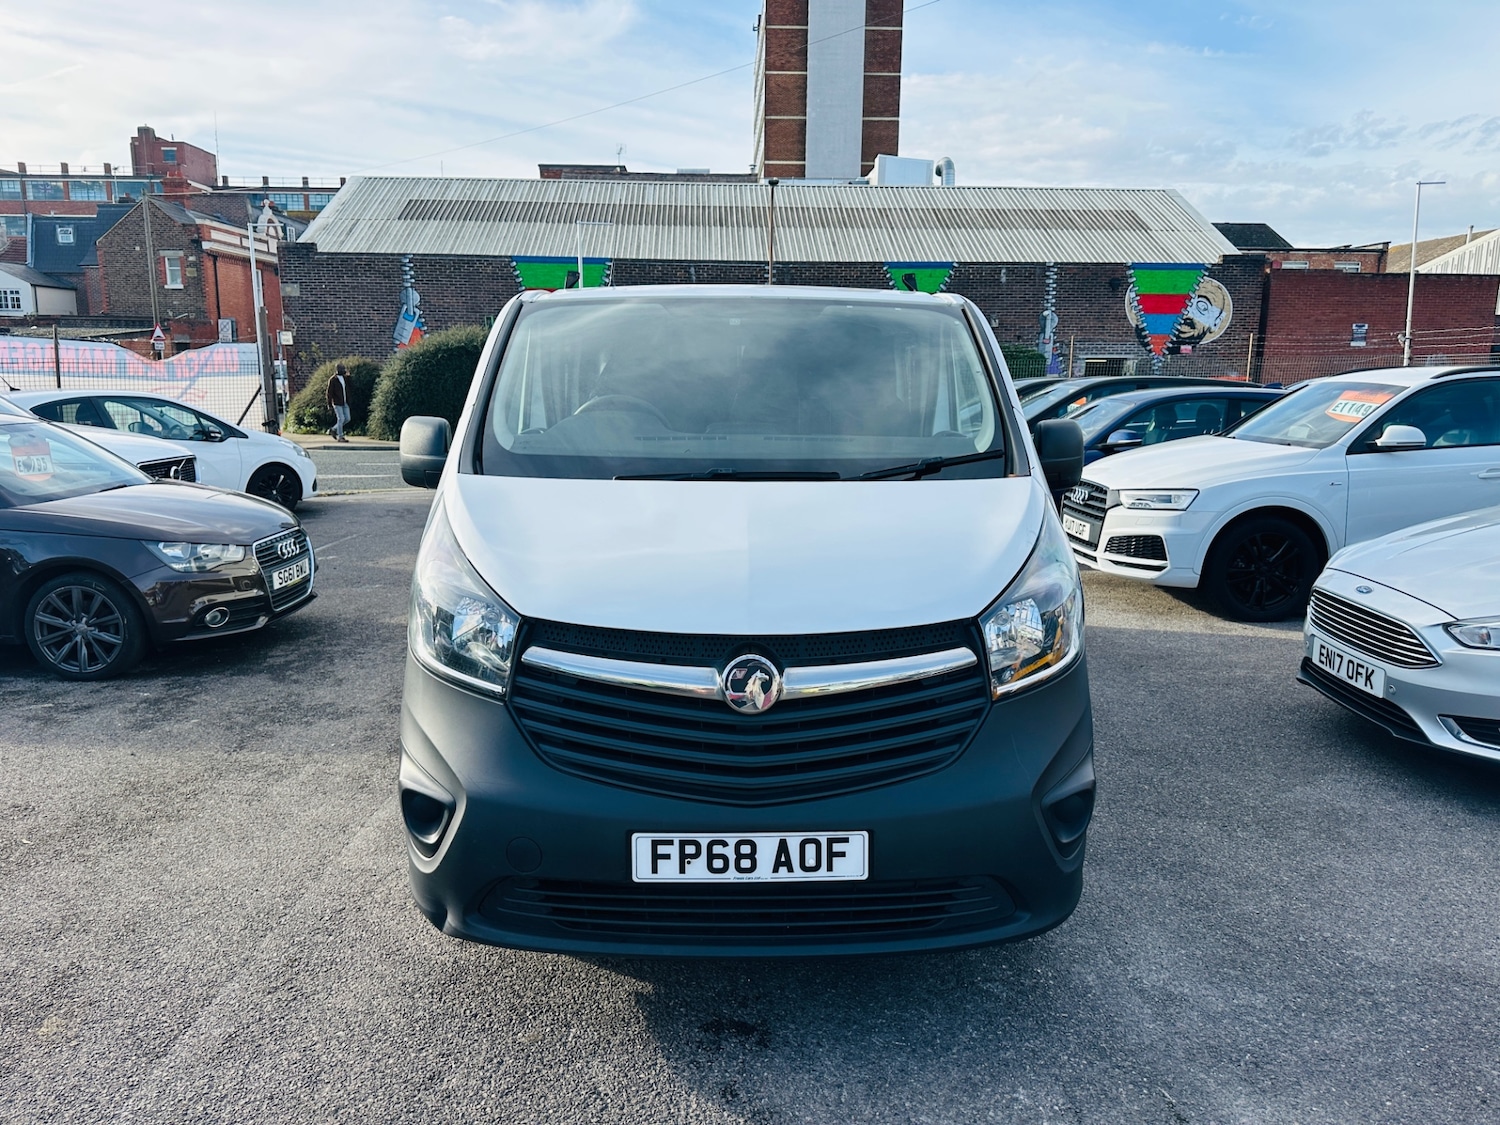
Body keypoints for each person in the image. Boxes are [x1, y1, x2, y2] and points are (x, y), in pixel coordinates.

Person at [326, 364, 351, 442]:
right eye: (342, 369)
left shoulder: (345, 378)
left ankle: (333, 429)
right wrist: (329, 404)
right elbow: (329, 393)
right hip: (337, 402)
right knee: (341, 419)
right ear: (337, 370)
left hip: (345, 401)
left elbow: (349, 386)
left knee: (347, 418)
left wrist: (349, 376)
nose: (344, 370)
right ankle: (340, 437)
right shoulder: (333, 379)